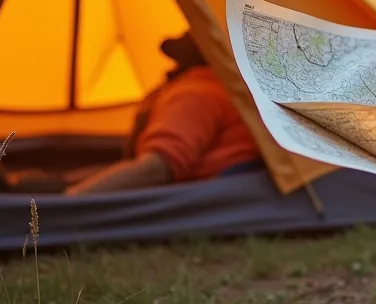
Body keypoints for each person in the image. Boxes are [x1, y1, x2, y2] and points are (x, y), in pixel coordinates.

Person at [64, 32, 262, 195]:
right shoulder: (228, 91)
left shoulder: (194, 94)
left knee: (44, 187)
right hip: (231, 184)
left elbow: (156, 168)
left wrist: (68, 201)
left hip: (205, 193)